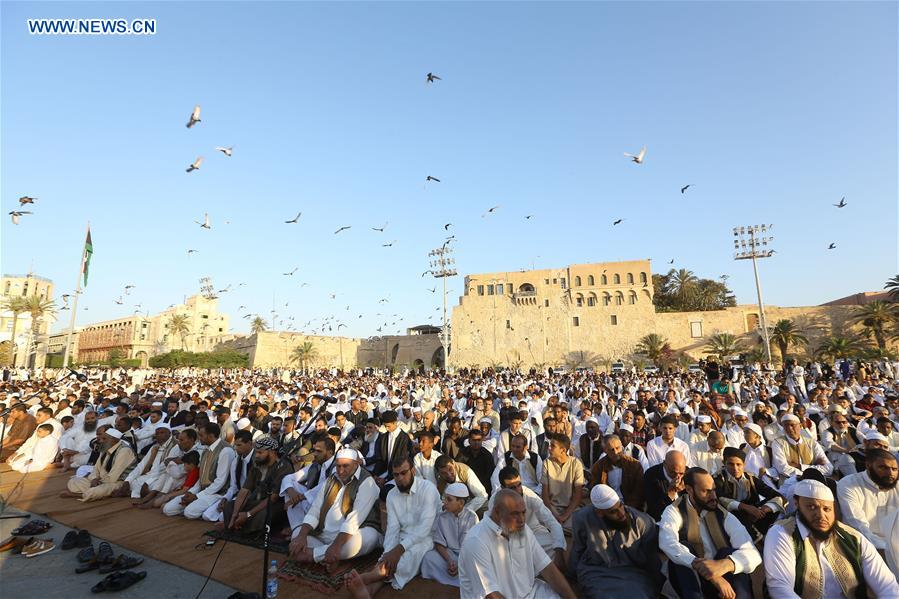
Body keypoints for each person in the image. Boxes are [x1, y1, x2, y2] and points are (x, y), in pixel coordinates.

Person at [764, 478, 899, 599]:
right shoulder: (782, 532)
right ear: (797, 504)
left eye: (827, 509)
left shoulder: (853, 537)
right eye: (812, 507)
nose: (821, 515)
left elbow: (887, 585)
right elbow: (780, 588)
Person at [659, 467, 761, 599]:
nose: (713, 496)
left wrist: (725, 565)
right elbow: (667, 543)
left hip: (723, 579)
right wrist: (709, 572)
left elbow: (753, 554)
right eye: (706, 491)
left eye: (713, 490)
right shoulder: (674, 511)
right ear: (689, 490)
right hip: (692, 580)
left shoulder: (723, 514)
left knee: (729, 554)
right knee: (683, 550)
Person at [458, 489, 577, 599]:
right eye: (515, 514)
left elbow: (549, 570)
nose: (522, 520)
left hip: (530, 593)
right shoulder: (476, 541)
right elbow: (491, 595)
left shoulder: (522, 529)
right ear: (497, 513)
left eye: (523, 513)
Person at [353, 454, 439, 594]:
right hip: (403, 536)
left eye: (403, 473)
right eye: (396, 474)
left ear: (413, 471)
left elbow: (424, 529)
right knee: (389, 558)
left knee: (409, 556)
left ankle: (368, 577)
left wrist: (399, 549)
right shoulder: (392, 495)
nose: (399, 478)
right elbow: (392, 529)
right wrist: (389, 553)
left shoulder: (428, 489)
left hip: (428, 536)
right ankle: (370, 591)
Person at [290, 448, 383, 573]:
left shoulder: (367, 482)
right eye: (338, 466)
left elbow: (354, 521)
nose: (341, 470)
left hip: (351, 535)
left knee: (368, 537)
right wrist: (302, 536)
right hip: (324, 534)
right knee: (296, 534)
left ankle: (314, 555)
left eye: (346, 466)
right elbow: (315, 509)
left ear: (356, 464)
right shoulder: (331, 479)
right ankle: (331, 556)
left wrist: (336, 546)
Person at [568, 484, 663, 599]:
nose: (622, 513)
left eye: (621, 506)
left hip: (633, 573)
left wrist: (658, 585)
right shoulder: (582, 518)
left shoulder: (642, 521)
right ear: (600, 513)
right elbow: (578, 548)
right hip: (596, 572)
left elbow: (652, 557)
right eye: (613, 512)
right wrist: (571, 577)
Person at [490, 465, 566, 565]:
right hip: (509, 536)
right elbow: (494, 528)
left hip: (534, 531)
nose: (518, 490)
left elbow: (551, 521)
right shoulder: (495, 501)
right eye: (512, 488)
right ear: (503, 488)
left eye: (519, 485)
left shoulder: (530, 495)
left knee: (555, 544)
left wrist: (559, 551)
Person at [836, 448, 899, 562]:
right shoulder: (849, 484)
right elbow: (858, 526)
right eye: (883, 467)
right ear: (869, 466)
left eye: (894, 469)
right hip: (863, 548)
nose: (890, 473)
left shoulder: (897, 486)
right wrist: (886, 551)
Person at [163, 422, 236, 519]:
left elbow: (220, 481)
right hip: (202, 491)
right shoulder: (205, 450)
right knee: (168, 509)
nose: (199, 438)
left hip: (218, 493)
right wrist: (192, 492)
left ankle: (210, 508)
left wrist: (197, 496)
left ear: (210, 436)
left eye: (201, 435)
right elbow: (201, 477)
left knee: (189, 512)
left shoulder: (225, 450)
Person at [222, 436, 293, 535]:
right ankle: (237, 523)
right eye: (256, 452)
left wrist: (247, 515)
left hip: (274, 504)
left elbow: (273, 498)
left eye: (260, 452)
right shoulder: (257, 465)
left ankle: (242, 528)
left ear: (272, 452)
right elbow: (244, 490)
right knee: (230, 506)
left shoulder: (283, 467)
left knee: (263, 514)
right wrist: (235, 514)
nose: (256, 455)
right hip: (256, 501)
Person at [713, 447, 784, 537]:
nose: (735, 468)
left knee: (777, 503)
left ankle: (766, 534)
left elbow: (776, 495)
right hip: (733, 515)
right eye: (731, 464)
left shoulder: (750, 477)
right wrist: (746, 508)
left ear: (744, 465)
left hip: (755, 513)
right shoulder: (718, 478)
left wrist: (763, 510)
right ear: (724, 463)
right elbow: (721, 499)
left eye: (738, 464)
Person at [420, 482, 478, 587]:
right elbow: (439, 543)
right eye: (445, 498)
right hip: (449, 555)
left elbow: (472, 547)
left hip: (466, 556)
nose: (444, 502)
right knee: (428, 558)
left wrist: (459, 563)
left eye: (449, 499)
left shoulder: (472, 517)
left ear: (461, 503)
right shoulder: (442, 517)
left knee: (476, 566)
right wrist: (449, 561)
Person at [62, 427, 136, 502]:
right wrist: (94, 479)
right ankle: (96, 493)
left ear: (114, 440)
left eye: (104, 439)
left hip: (118, 482)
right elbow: (96, 468)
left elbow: (114, 476)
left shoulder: (124, 451)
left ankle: (80, 494)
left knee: (98, 490)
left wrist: (99, 482)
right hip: (101, 481)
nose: (101, 441)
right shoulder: (106, 448)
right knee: (74, 481)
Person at [282, 435, 336, 533]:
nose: (314, 454)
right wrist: (292, 492)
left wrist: (301, 497)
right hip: (312, 500)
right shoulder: (315, 464)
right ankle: (297, 528)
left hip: (328, 506)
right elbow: (289, 478)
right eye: (314, 450)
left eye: (319, 451)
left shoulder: (337, 466)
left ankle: (303, 530)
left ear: (330, 452)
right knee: (291, 485)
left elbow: (327, 485)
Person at [120, 423, 176, 503]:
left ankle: (149, 494)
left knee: (153, 485)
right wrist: (127, 481)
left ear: (169, 433)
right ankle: (143, 492)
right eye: (157, 433)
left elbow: (162, 470)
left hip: (163, 476)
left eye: (162, 433)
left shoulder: (174, 446)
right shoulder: (154, 447)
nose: (159, 435)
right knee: (132, 482)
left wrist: (147, 482)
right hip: (150, 475)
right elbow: (141, 465)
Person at [771, 413, 833, 485]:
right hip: (791, 482)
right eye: (786, 425)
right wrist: (812, 470)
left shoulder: (812, 443)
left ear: (800, 426)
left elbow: (828, 468)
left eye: (792, 425)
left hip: (815, 481)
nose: (789, 428)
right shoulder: (778, 443)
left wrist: (800, 466)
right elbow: (783, 468)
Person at [540, 433, 584, 530]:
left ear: (563, 450)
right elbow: (545, 495)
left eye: (553, 446)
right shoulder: (547, 463)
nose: (549, 448)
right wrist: (555, 515)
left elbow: (578, 496)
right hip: (552, 508)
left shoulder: (576, 464)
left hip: (570, 509)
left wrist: (565, 516)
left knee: (582, 520)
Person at [589, 434, 644, 509]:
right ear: (605, 450)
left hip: (631, 507)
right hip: (608, 507)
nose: (615, 452)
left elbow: (638, 491)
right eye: (611, 450)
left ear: (622, 446)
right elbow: (596, 489)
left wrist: (627, 509)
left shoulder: (634, 465)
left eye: (617, 448)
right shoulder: (598, 467)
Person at [644, 450, 687, 521]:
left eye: (681, 473)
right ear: (664, 464)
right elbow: (654, 512)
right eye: (673, 472)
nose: (677, 477)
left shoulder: (688, 475)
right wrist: (671, 493)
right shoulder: (651, 475)